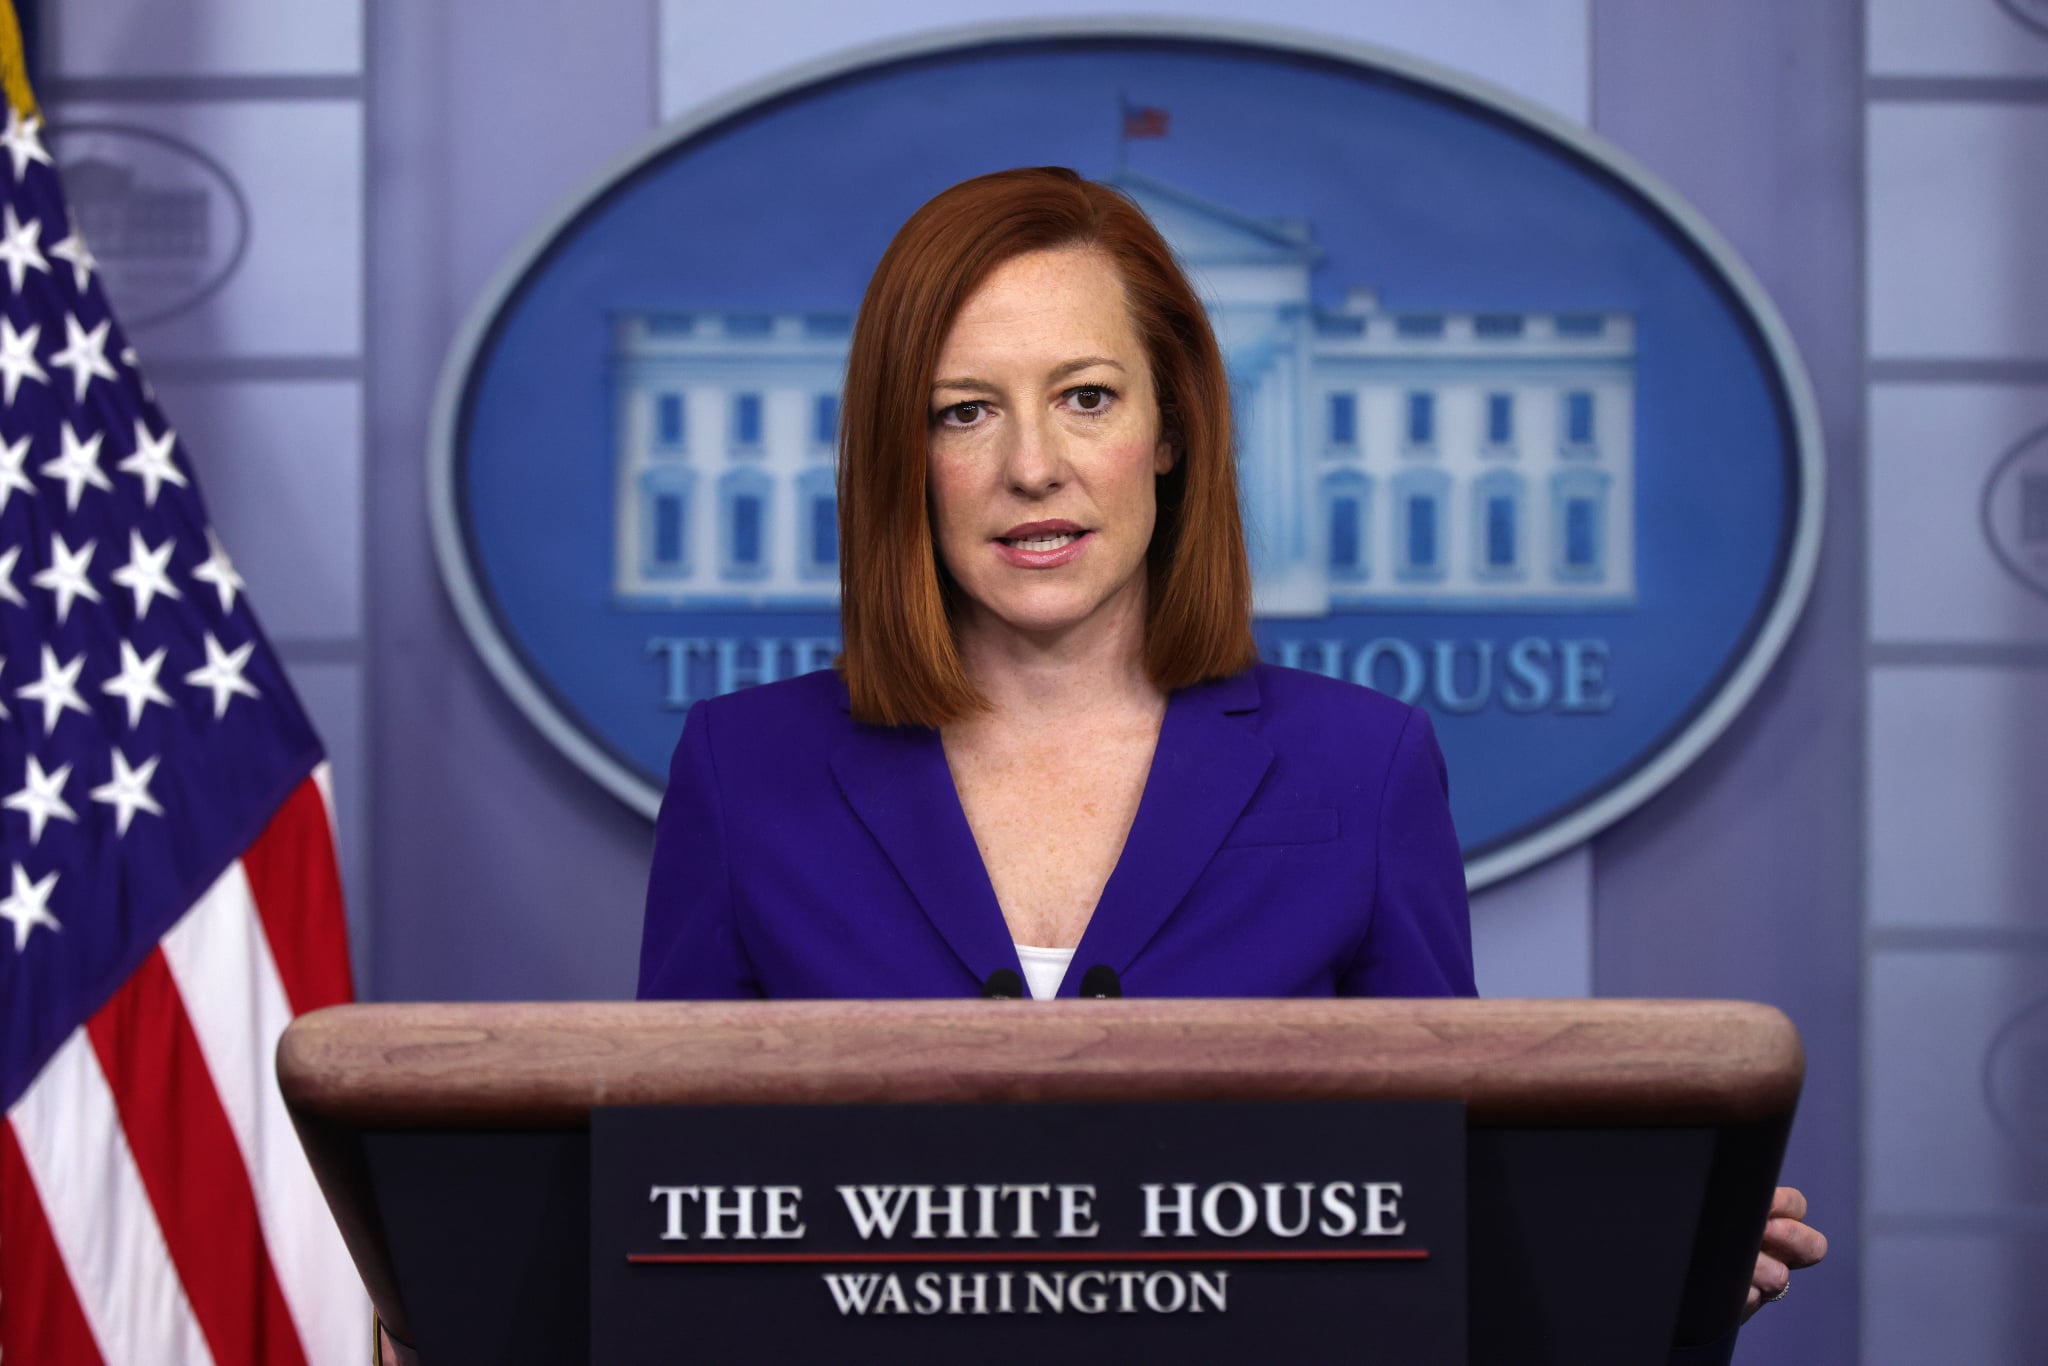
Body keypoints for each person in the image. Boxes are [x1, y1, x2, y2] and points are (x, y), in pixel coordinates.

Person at [634, 166, 1822, 1315]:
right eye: (964, 411)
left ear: (1169, 429)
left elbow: (1445, 1210)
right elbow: (666, 1221)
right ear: (906, 457)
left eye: (1085, 397)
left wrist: (1651, 1266)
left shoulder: (1362, 767)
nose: (1030, 467)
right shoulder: (745, 774)